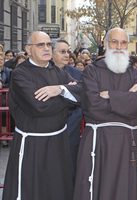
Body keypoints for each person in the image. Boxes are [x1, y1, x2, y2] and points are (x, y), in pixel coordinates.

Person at [2, 31, 81, 200]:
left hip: (58, 142)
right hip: (33, 145)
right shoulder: (20, 74)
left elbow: (81, 92)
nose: (46, 48)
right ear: (28, 49)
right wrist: (67, 95)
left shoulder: (57, 72)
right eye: (40, 45)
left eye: (48, 45)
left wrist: (59, 89)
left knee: (57, 189)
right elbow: (39, 106)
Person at [73, 27, 137, 200]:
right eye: (114, 41)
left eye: (123, 43)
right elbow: (93, 106)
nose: (119, 46)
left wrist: (111, 95)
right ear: (106, 44)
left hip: (126, 143)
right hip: (99, 141)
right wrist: (127, 98)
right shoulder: (92, 71)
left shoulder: (134, 73)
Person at [52, 39, 83, 184]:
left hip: (72, 126)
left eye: (68, 51)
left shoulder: (77, 74)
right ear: (52, 53)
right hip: (49, 129)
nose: (67, 55)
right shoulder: (44, 72)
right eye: (62, 52)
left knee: (70, 170)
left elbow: (81, 96)